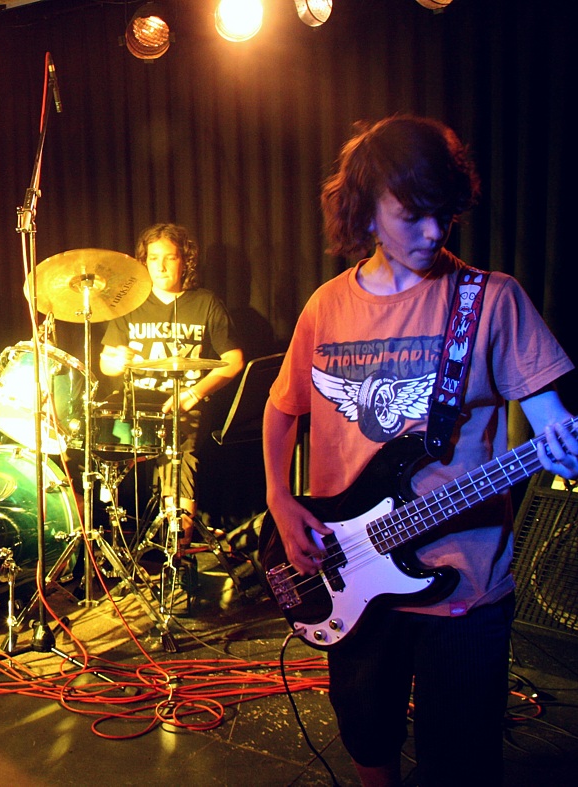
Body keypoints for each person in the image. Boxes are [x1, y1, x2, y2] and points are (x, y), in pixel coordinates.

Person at [262, 115, 578, 787]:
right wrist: (279, 499)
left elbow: (553, 424)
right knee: (366, 738)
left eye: (445, 213)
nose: (434, 232)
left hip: (465, 586)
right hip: (348, 571)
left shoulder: (491, 300)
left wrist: (562, 446)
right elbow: (281, 407)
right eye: (413, 215)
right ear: (365, 212)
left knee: (460, 762)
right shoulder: (325, 307)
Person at [99, 222, 244, 543]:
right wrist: (116, 360)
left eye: (170, 258)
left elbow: (234, 360)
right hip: (134, 404)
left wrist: (194, 394)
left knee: (177, 452)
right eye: (153, 258)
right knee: (95, 441)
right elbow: (106, 363)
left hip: (182, 404)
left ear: (185, 261)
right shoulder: (129, 304)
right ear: (144, 262)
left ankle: (175, 547)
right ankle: (110, 537)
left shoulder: (205, 303)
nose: (161, 266)